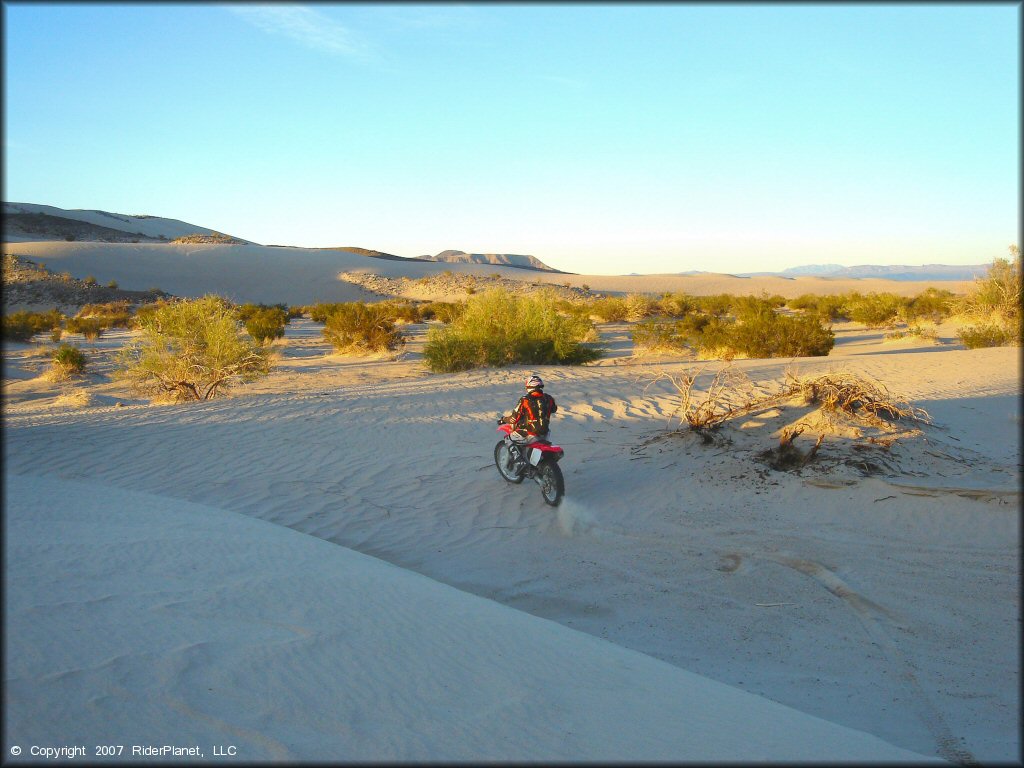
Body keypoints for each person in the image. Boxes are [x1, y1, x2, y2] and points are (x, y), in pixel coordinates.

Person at [502, 373, 558, 471]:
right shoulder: (549, 398)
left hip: (530, 433)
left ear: (528, 387)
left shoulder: (525, 400)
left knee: (508, 439)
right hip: (545, 433)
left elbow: (513, 419)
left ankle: (520, 462)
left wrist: (503, 419)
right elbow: (554, 409)